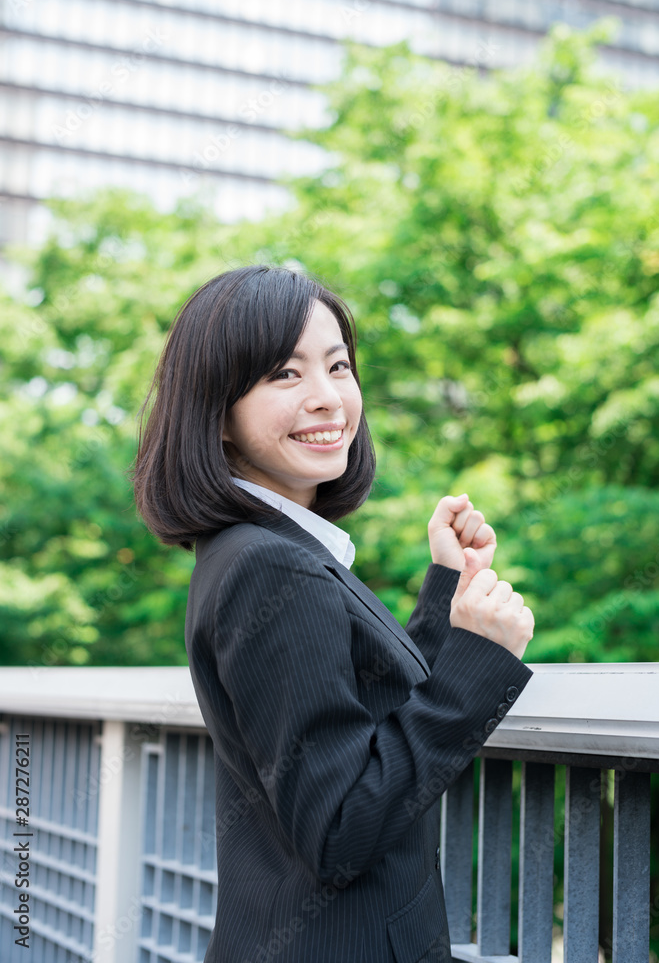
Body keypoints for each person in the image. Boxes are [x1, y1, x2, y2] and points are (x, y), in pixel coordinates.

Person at [132, 264, 534, 963]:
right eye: (284, 375)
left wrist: (446, 590)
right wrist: (480, 663)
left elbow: (359, 714)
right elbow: (339, 828)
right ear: (216, 416)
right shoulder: (268, 565)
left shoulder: (256, 551)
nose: (327, 399)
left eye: (337, 365)